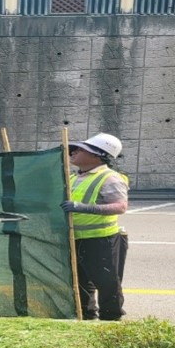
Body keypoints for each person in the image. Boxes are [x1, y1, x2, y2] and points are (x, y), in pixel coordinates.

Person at [61, 133, 129, 321]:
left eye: (81, 150)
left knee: (107, 282)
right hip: (76, 237)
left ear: (97, 155)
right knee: (81, 281)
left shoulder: (110, 178)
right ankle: (86, 316)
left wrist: (85, 208)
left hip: (102, 240)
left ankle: (111, 318)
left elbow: (121, 206)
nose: (73, 152)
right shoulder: (75, 177)